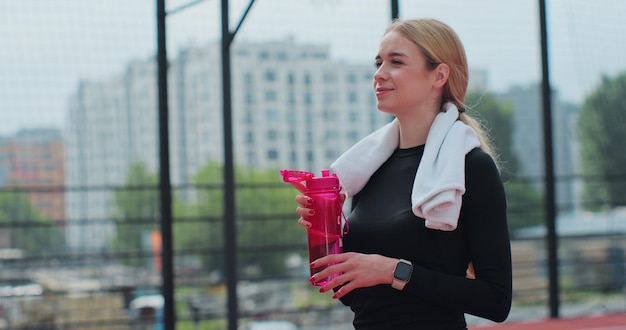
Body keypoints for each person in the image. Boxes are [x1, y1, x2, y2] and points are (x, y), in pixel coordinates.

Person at [294, 18, 512, 329]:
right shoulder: (366, 169)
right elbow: (355, 297)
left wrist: (393, 271)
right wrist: (325, 231)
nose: (379, 74)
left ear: (438, 75)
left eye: (396, 62)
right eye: (378, 62)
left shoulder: (470, 168)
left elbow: (496, 300)